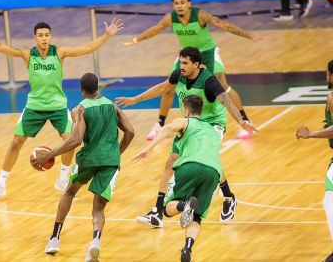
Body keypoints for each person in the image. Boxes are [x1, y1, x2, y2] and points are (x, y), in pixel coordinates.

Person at [0, 17, 123, 202]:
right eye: (41, 35)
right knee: (15, 142)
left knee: (70, 140)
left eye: (47, 35)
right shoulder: (27, 54)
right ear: (35, 38)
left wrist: (107, 35)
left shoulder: (59, 53)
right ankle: (0, 184)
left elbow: (87, 48)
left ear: (50, 37)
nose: (44, 38)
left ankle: (62, 180)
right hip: (34, 106)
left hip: (57, 107)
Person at [116, 47, 257, 226]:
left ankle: (228, 197)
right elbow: (162, 88)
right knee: (170, 161)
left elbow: (226, 101)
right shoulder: (178, 75)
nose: (181, 66)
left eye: (185, 63)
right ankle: (157, 212)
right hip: (190, 122)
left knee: (207, 158)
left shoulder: (209, 81)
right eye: (180, 62)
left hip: (212, 124)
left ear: (196, 65)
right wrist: (136, 99)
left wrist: (241, 121)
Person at [32, 73, 135, 261]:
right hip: (111, 161)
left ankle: (55, 238)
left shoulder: (79, 109)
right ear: (98, 88)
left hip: (88, 159)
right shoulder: (112, 105)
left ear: (82, 90)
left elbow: (76, 140)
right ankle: (95, 241)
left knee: (70, 192)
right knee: (99, 208)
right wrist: (116, 153)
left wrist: (49, 155)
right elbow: (130, 131)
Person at [124, 0, 256, 140]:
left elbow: (225, 25)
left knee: (223, 87)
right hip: (187, 55)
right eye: (176, 3)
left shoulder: (200, 15)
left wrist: (249, 35)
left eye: (182, 2)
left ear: (189, 3)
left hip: (207, 52)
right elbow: (155, 29)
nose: (179, 6)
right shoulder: (170, 18)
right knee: (168, 86)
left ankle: (244, 121)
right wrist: (136, 40)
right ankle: (160, 125)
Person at [133, 95, 222, 262]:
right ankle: (187, 248)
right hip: (214, 172)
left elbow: (167, 129)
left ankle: (184, 205)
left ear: (186, 111)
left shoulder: (185, 121)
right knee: (196, 217)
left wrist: (149, 148)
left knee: (167, 209)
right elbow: (216, 159)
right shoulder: (212, 130)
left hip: (191, 165)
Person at [296, 60, 333, 262]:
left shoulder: (332, 96)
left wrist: (311, 133)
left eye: (327, 74)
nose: (325, 78)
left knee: (330, 201)